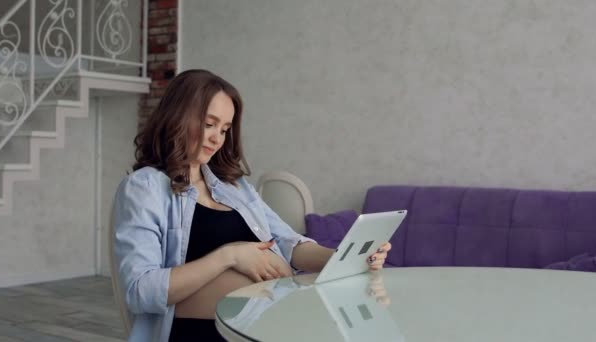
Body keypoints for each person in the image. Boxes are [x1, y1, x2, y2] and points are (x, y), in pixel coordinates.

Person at [112, 69, 393, 342]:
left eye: (224, 129)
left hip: (265, 326)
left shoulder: (235, 188)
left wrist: (344, 257)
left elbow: (287, 243)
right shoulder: (145, 187)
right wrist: (230, 256)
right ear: (177, 117)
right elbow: (140, 291)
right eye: (209, 124)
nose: (217, 138)